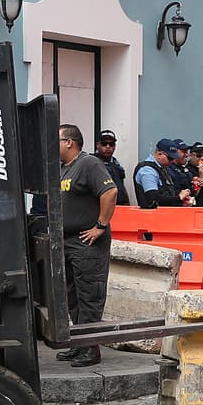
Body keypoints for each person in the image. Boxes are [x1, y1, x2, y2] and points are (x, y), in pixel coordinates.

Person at [54, 124, 118, 368]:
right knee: (73, 295)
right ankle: (79, 342)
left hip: (87, 243)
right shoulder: (63, 169)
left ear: (70, 142)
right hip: (67, 242)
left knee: (89, 295)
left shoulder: (88, 164)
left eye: (57, 139)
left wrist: (100, 226)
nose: (53, 144)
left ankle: (90, 349)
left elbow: (110, 192)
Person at [133, 139, 187, 208]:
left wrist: (180, 201)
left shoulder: (162, 168)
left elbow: (168, 194)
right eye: (170, 158)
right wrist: (178, 198)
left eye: (174, 158)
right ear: (159, 154)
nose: (172, 161)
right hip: (150, 216)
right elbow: (153, 199)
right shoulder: (147, 170)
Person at [92, 129, 129, 207]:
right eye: (104, 144)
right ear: (98, 145)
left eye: (111, 144)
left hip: (120, 208)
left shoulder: (116, 164)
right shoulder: (91, 163)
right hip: (100, 208)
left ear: (114, 146)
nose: (108, 147)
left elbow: (121, 188)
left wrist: (126, 203)